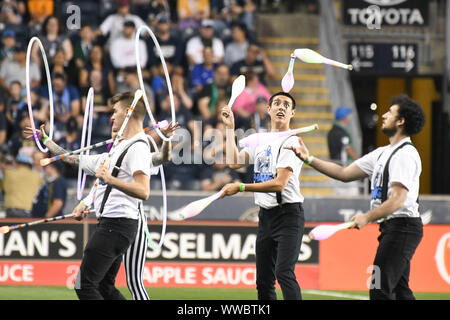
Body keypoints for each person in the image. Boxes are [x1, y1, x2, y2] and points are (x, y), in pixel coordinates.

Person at [27, 91, 178, 300]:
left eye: (115, 112)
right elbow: (72, 159)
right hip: (113, 224)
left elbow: (143, 191)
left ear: (128, 112)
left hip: (116, 225)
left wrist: (110, 179)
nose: (111, 117)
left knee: (84, 285)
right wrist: (47, 141)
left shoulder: (137, 148)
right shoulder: (118, 149)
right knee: (105, 288)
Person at [285, 94, 426, 300]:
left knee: (379, 289)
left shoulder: (405, 154)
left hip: (403, 228)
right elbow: (344, 174)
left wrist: (367, 217)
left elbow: (398, 200)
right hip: (393, 228)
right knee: (399, 292)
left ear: (400, 121)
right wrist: (308, 158)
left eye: (390, 112)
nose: (384, 115)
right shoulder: (383, 153)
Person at [220, 91, 305, 300]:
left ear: (292, 113)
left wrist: (241, 188)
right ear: (268, 110)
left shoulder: (293, 142)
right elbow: (234, 162)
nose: (281, 107)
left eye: (286, 104)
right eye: (276, 103)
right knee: (263, 282)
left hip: (288, 215)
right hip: (265, 216)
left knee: (284, 273)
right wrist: (230, 128)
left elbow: (279, 184)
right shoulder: (259, 139)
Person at [0, 152, 42, 217]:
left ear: (16, 163)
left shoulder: (8, 173)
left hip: (12, 210)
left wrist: (4, 167)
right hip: (28, 211)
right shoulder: (36, 176)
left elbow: (3, 188)